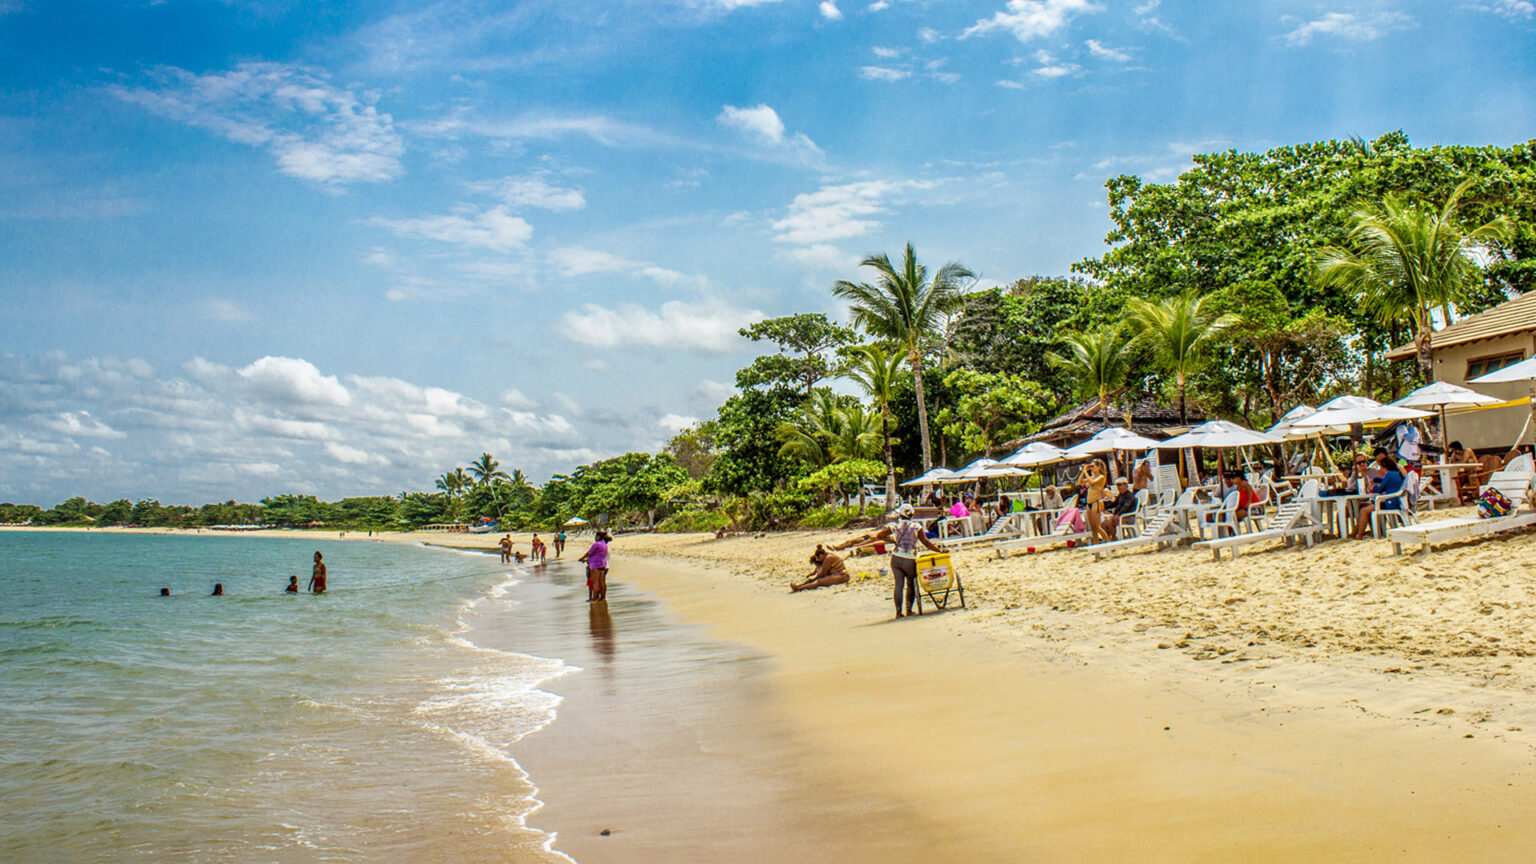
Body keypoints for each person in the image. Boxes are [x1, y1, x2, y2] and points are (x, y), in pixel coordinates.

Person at [863, 503, 943, 619]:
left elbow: (880, 535)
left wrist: (892, 540)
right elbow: (926, 542)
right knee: (911, 584)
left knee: (898, 585)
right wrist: (939, 551)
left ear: (900, 514)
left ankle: (898, 612)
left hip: (896, 558)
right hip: (910, 559)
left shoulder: (894, 526)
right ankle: (909, 610)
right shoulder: (916, 527)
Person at [1352, 452, 1406, 540]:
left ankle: (1359, 535)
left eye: (1382, 467)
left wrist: (1372, 488)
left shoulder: (1389, 474)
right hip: (1395, 500)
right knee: (1365, 507)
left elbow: (1380, 489)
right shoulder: (1396, 473)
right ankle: (1358, 533)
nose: (1381, 469)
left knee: (1364, 510)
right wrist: (1376, 480)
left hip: (1390, 502)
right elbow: (1385, 482)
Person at [1083, 459, 1110, 543]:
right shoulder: (1091, 477)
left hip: (1096, 502)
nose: (1091, 468)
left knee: (1097, 527)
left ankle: (1108, 543)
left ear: (1098, 467)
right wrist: (1083, 472)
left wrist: (1085, 472)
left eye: (1093, 466)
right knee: (1093, 529)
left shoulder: (1101, 477)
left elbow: (1092, 483)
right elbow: (1080, 482)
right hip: (1089, 503)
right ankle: (1096, 546)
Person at [579, 531, 610, 602]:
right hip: (602, 564)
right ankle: (602, 597)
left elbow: (589, 553)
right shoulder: (604, 544)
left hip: (595, 565)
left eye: (596, 536)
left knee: (595, 582)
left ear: (598, 536)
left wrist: (582, 558)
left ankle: (594, 597)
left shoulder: (596, 544)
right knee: (602, 582)